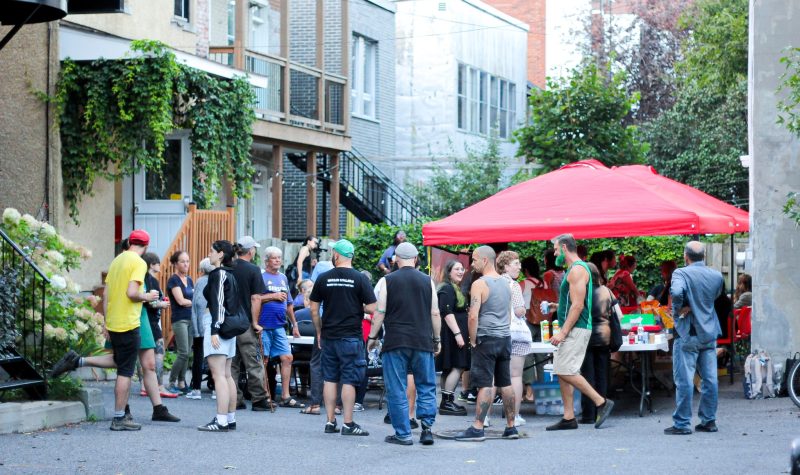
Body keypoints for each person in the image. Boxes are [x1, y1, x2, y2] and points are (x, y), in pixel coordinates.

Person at [51, 230, 180, 430]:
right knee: (126, 370)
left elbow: (107, 294)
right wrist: (148, 296)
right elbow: (132, 293)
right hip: (130, 321)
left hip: (116, 320)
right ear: (146, 246)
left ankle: (78, 361)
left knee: (123, 362)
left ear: (130, 242)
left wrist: (106, 321)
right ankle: (120, 416)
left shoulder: (116, 261)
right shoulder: (138, 263)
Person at [367, 242, 440, 446]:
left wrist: (372, 337)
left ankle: (403, 434)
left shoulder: (386, 280)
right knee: (426, 385)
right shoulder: (428, 281)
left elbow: (379, 312)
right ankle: (426, 430)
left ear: (395, 260)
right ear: (416, 259)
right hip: (422, 340)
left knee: (396, 387)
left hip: (395, 341)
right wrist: (437, 339)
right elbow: (435, 312)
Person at [543, 234, 615, 431]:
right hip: (574, 326)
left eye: (556, 250)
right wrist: (556, 306)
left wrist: (563, 332)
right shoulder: (575, 270)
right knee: (561, 369)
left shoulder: (576, 270)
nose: (555, 253)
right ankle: (569, 417)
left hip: (576, 328)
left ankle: (601, 402)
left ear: (565, 248)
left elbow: (578, 305)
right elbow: (573, 303)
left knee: (567, 370)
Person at [310, 239, 377, 436]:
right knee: (349, 379)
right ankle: (348, 423)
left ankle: (330, 422)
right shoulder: (360, 278)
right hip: (351, 337)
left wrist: (319, 331)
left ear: (337, 255)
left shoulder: (324, 278)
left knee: (330, 378)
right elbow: (373, 307)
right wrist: (357, 306)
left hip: (329, 336)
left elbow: (314, 309)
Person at [454, 246, 519, 442]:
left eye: (474, 260)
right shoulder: (506, 284)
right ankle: (511, 427)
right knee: (505, 382)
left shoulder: (480, 284)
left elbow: (473, 316)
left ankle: (477, 427)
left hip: (486, 338)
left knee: (485, 383)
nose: (471, 264)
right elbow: (508, 314)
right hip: (504, 338)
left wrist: (473, 340)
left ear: (484, 260)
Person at [665, 241, 724, 435]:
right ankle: (709, 420)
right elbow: (715, 297)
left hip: (688, 332)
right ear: (704, 256)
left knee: (685, 379)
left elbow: (676, 292)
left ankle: (682, 423)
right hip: (709, 331)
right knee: (710, 379)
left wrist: (678, 309)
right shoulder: (716, 275)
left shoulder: (680, 273)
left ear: (685, 256)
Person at [197, 240, 240, 431]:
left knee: (218, 374)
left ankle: (221, 419)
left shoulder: (218, 274)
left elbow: (218, 303)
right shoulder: (230, 274)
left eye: (212, 251)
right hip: (229, 326)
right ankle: (229, 418)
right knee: (226, 374)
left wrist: (214, 329)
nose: (209, 254)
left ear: (221, 254)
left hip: (218, 325)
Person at [229, 236, 272, 411]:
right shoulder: (253, 270)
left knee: (231, 363)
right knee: (253, 361)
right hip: (245, 322)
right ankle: (259, 399)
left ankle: (234, 398)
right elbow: (256, 298)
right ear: (251, 251)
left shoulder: (228, 268)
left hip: (228, 322)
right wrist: (255, 322)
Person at [256, 246, 303, 407]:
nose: (277, 260)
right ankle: (264, 396)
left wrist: (295, 324)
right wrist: (272, 296)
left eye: (279, 258)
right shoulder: (260, 277)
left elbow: (289, 304)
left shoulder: (283, 278)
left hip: (279, 326)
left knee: (287, 357)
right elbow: (254, 300)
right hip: (263, 326)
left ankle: (285, 396)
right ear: (266, 260)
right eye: (274, 258)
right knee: (264, 360)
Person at [497, 251, 530, 427]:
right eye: (516, 263)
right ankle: (514, 416)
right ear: (506, 266)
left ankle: (484, 417)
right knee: (515, 375)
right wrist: (524, 309)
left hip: (496, 333)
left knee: (494, 375)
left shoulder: (492, 282)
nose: (519, 266)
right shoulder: (513, 285)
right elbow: (519, 311)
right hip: (514, 334)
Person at [579, 263, 615, 424]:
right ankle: (602, 409)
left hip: (585, 337)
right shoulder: (606, 291)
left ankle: (588, 414)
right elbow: (617, 314)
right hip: (604, 337)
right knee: (602, 375)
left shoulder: (581, 292)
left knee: (587, 376)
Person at [437, 260, 470, 416]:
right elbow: (447, 313)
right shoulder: (447, 289)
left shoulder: (453, 288)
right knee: (458, 366)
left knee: (449, 367)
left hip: (453, 333)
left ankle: (446, 402)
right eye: (456, 269)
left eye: (462, 269)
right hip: (452, 334)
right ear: (448, 272)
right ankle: (447, 402)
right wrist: (458, 335)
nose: (461, 271)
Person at [141, 252, 174, 398]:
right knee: (159, 353)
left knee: (143, 354)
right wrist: (163, 304)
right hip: (152, 321)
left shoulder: (141, 279)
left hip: (143, 320)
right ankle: (159, 385)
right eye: (158, 263)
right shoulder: (152, 280)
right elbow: (151, 302)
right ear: (152, 265)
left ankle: (144, 385)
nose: (159, 266)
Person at [519, 255, 550, 400]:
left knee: (528, 355)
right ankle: (543, 388)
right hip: (544, 322)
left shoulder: (523, 284)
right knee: (542, 356)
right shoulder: (544, 284)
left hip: (527, 321)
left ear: (525, 270)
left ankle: (530, 391)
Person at [167, 250, 194, 394]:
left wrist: (191, 302)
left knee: (188, 352)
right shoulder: (174, 280)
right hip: (180, 319)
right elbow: (181, 301)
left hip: (191, 319)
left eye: (187, 261)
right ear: (176, 264)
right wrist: (193, 302)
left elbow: (189, 300)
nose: (186, 264)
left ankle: (182, 382)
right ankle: (171, 381)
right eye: (183, 261)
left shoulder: (189, 280)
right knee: (183, 352)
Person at [188, 258, 215, 400]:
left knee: (198, 355)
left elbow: (197, 304)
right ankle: (216, 389)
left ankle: (196, 389)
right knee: (215, 355)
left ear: (202, 269)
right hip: (216, 324)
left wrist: (197, 327)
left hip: (202, 323)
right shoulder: (219, 279)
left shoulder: (200, 281)